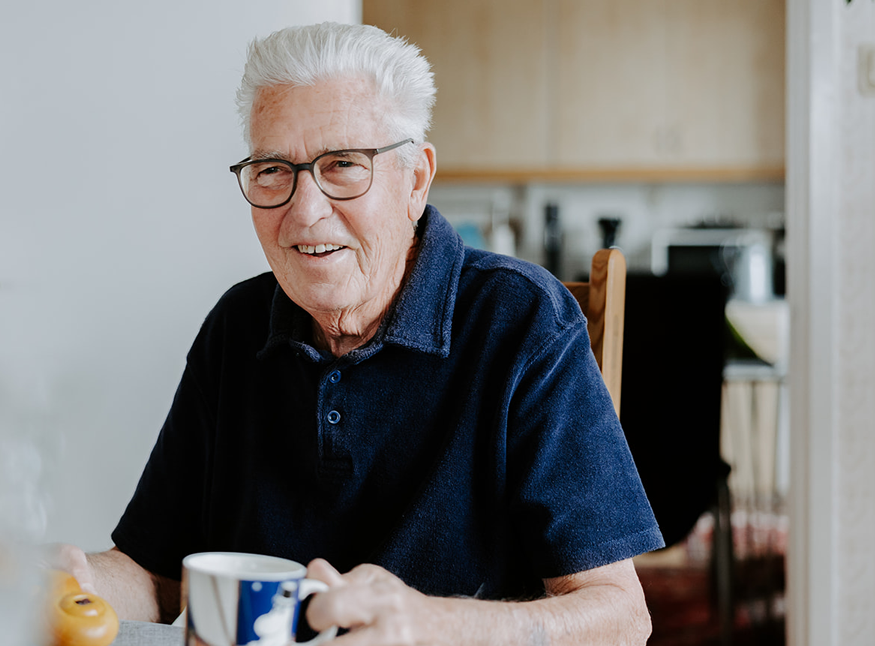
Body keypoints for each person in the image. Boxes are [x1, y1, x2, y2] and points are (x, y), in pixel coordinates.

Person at [50, 22, 664, 645]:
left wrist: (434, 625)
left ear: (416, 180)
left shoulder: (524, 320)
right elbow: (156, 575)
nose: (304, 211)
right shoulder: (238, 325)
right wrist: (75, 581)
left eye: (343, 165)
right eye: (271, 170)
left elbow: (619, 618)